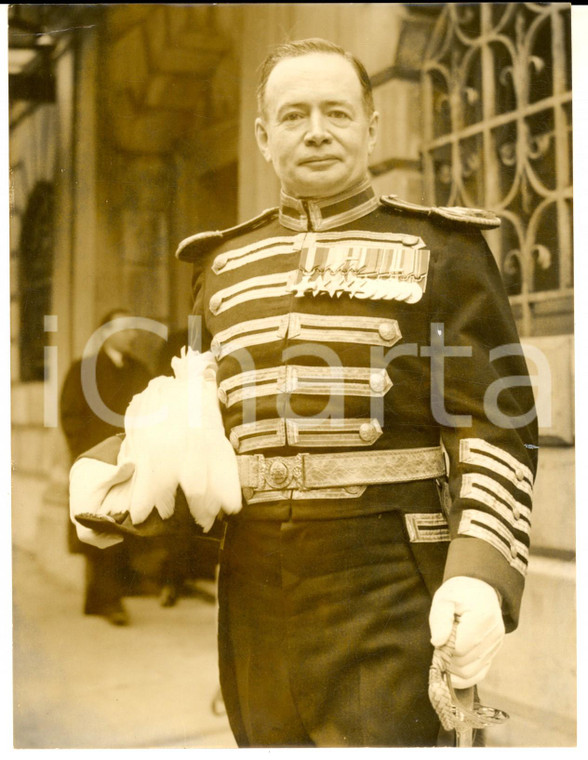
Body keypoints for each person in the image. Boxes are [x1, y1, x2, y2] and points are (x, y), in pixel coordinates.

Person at [73, 38, 538, 746]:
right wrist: (115, 474)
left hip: (388, 584)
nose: (316, 130)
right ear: (263, 136)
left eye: (336, 113)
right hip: (255, 587)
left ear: (371, 127)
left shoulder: (446, 253)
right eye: (293, 116)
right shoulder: (222, 266)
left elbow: (496, 428)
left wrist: (480, 574)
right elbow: (197, 418)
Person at [60, 309, 152, 625]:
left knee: (121, 525)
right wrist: (85, 455)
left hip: (131, 459)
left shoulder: (140, 371)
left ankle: (100, 599)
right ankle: (108, 601)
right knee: (98, 525)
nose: (133, 335)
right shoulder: (84, 369)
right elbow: (70, 415)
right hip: (97, 461)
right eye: (126, 329)